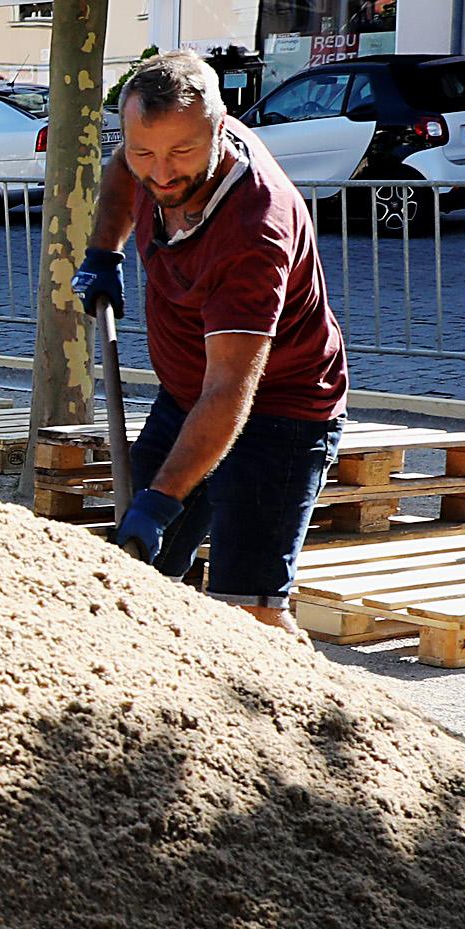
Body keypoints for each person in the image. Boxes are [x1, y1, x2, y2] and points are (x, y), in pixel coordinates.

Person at [71, 47, 353, 630]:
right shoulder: (151, 155)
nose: (161, 172)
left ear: (221, 129)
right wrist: (104, 251)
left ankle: (290, 684)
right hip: (187, 397)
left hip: (280, 408)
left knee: (248, 609)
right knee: (133, 580)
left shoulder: (254, 229)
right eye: (146, 151)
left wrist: (161, 500)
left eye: (181, 153)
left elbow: (229, 391)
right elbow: (124, 166)